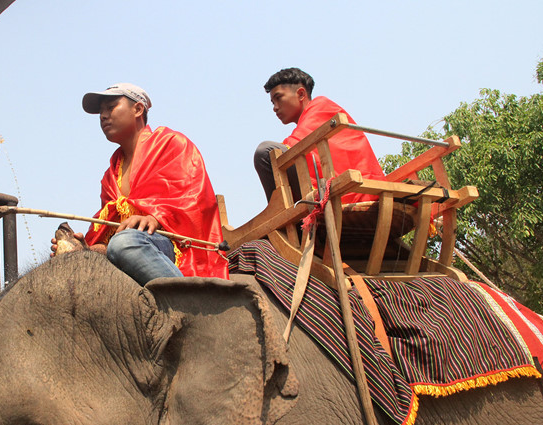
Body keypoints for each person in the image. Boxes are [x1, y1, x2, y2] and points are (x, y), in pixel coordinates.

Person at [52, 83, 228, 285]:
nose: (103, 116)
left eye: (110, 107)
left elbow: (196, 201)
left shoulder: (171, 144)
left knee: (125, 242)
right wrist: (87, 250)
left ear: (138, 109)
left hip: (173, 246)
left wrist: (156, 218)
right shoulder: (110, 176)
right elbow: (110, 239)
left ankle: (187, 301)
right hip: (130, 249)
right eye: (101, 112)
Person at [254, 67, 386, 204]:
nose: (275, 107)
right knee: (275, 155)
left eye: (278, 98)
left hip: (354, 191)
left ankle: (280, 212)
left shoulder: (320, 106)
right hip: (341, 188)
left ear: (301, 94)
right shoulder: (306, 124)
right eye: (272, 103)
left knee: (267, 152)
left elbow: (293, 146)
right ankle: (282, 210)